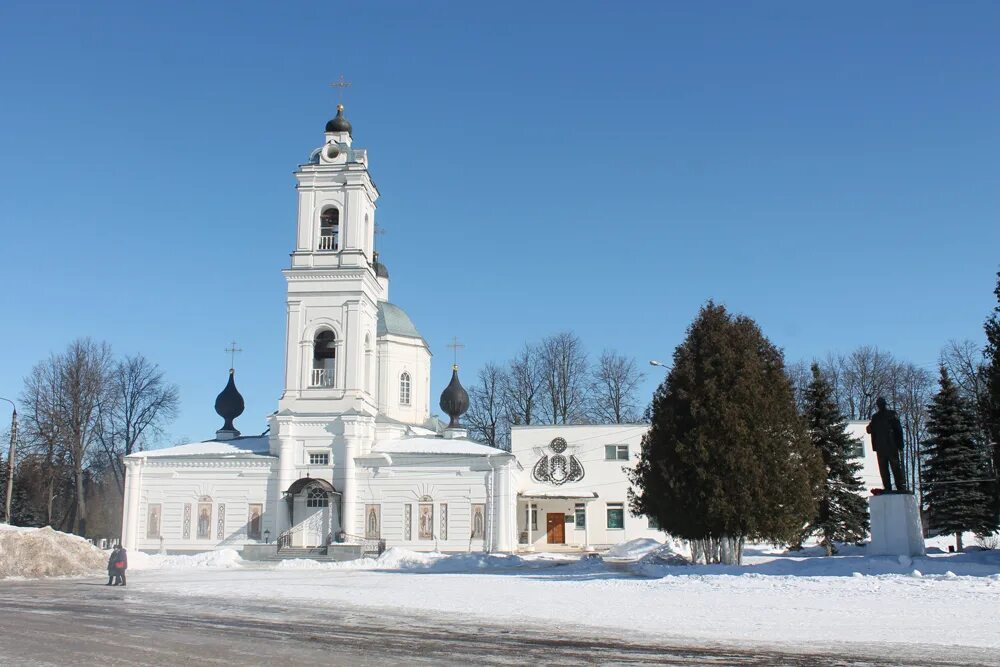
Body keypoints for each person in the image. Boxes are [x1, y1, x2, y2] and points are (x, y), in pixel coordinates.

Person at [866, 396, 907, 492]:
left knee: (892, 468)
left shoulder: (888, 415)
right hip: (885, 447)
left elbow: (898, 429)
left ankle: (897, 487)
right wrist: (900, 444)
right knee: (887, 469)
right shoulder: (877, 417)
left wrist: (900, 444)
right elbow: (869, 430)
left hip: (887, 446)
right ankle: (893, 487)